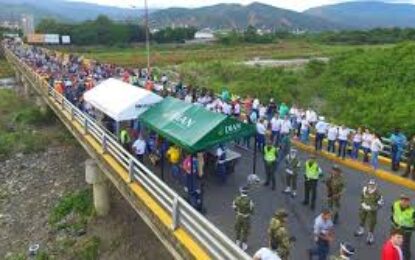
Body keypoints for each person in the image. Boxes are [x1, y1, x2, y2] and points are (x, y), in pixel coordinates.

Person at [354, 179, 384, 245]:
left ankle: (370, 236)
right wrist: (362, 203)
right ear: (368, 184)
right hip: (363, 208)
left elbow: (380, 204)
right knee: (362, 219)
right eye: (370, 184)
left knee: (371, 223)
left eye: (373, 185)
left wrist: (371, 208)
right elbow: (362, 197)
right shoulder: (365, 190)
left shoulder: (378, 194)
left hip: (372, 211)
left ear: (375, 185)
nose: (371, 186)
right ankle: (361, 230)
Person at [391, 194, 415, 260]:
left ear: (409, 202)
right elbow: (393, 213)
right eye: (402, 200)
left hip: (406, 232)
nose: (404, 202)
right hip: (395, 229)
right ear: (400, 200)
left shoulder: (412, 212)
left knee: (405, 247)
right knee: (392, 244)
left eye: (406, 200)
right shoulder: (395, 205)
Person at [233, 186, 254, 251]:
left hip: (239, 216)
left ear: (241, 192)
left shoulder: (237, 199)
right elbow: (252, 209)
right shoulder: (250, 200)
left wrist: (238, 211)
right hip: (246, 217)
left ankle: (237, 242)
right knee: (245, 231)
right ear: (247, 192)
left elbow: (234, 207)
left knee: (238, 229)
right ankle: (244, 245)